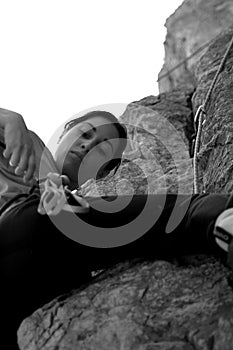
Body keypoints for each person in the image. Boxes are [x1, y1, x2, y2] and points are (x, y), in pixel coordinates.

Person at [0, 107, 233, 349]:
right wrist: (9, 119)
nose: (87, 145)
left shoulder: (78, 203)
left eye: (101, 149)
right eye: (85, 133)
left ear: (102, 173)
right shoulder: (24, 143)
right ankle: (212, 215)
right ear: (65, 132)